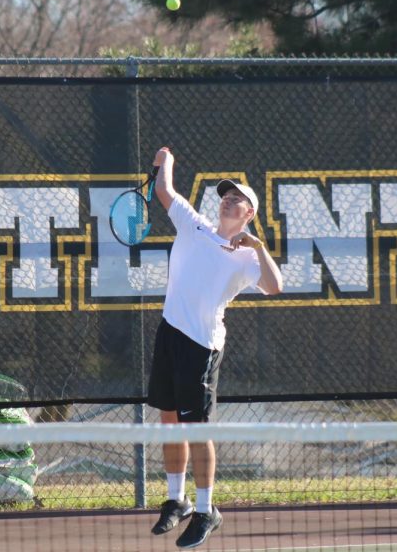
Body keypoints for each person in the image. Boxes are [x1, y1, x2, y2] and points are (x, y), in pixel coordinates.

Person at [147, 146, 283, 549]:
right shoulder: (194, 225)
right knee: (169, 420)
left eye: (237, 198)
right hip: (169, 333)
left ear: (249, 213)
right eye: (226, 194)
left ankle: (207, 510)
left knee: (197, 427)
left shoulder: (246, 256)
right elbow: (165, 190)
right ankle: (178, 501)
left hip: (201, 346)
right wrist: (165, 159)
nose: (228, 199)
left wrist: (257, 246)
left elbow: (276, 287)